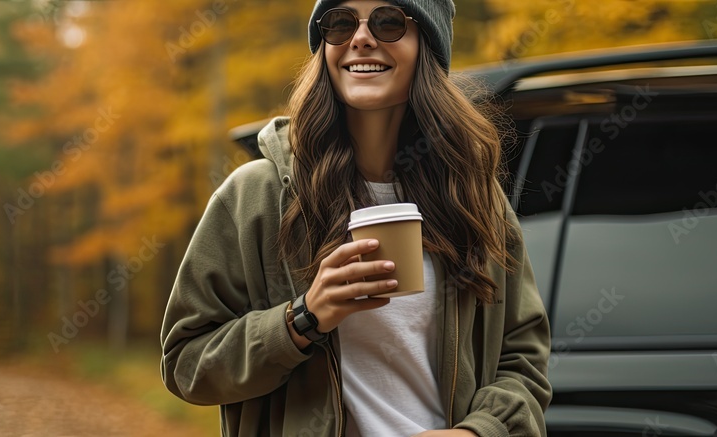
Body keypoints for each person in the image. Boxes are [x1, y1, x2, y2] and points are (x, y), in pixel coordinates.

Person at [161, 0, 552, 435]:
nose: (361, 38)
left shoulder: (473, 195)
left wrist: (477, 432)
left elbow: (522, 361)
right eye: (340, 23)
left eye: (387, 22)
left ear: (428, 45)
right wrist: (303, 319)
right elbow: (185, 362)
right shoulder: (257, 195)